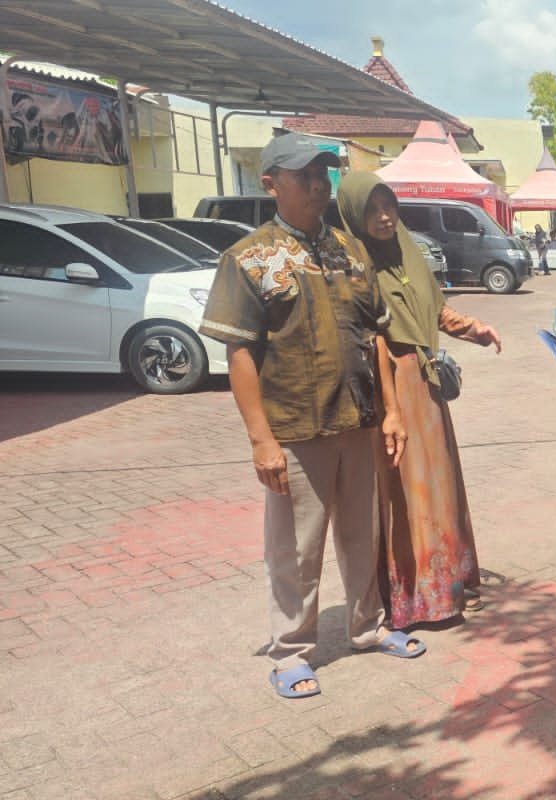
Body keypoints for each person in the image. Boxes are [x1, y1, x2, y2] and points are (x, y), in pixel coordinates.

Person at [196, 133, 420, 700]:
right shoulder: (249, 259)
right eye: (306, 175)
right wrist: (260, 440)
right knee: (297, 548)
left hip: (359, 419)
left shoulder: (349, 249)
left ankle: (368, 627)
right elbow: (239, 352)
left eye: (325, 174)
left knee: (362, 534)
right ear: (271, 183)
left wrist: (392, 412)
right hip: (296, 427)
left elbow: (376, 337)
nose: (320, 184)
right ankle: (292, 651)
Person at [337, 171, 501, 631]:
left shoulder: (408, 253)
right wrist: (391, 406)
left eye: (388, 206)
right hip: (391, 388)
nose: (384, 217)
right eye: (371, 210)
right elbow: (373, 339)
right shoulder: (355, 266)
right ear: (353, 215)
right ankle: (414, 597)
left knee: (440, 483)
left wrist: (476, 329)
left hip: (425, 385)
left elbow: (435, 308)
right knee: (406, 492)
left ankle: (448, 584)